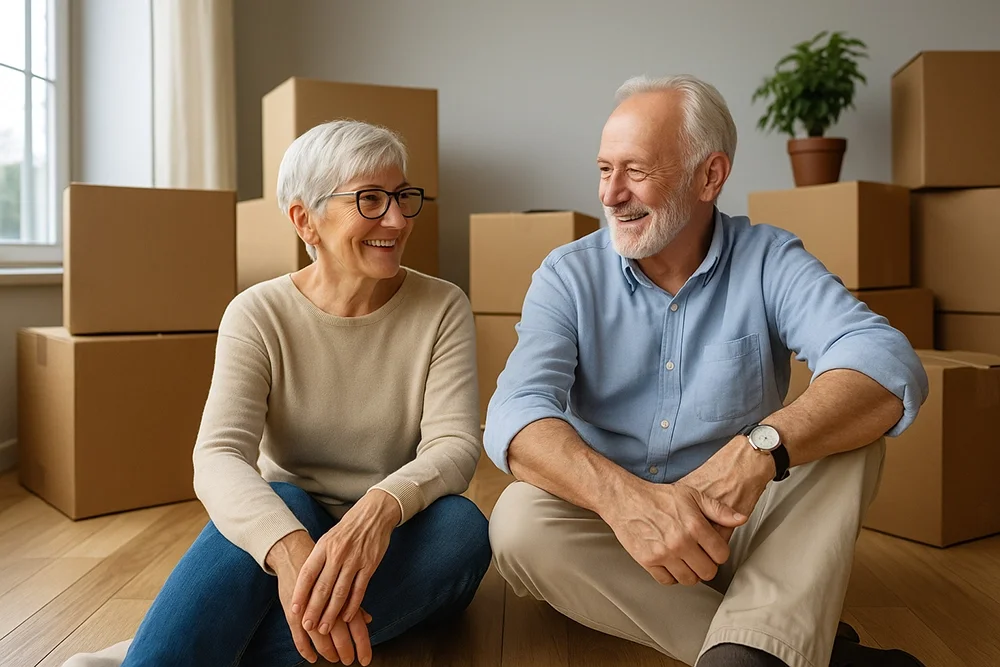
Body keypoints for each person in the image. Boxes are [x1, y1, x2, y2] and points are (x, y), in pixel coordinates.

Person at [484, 75, 929, 667]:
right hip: (620, 537)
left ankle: (755, 644)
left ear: (710, 176)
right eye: (603, 169)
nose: (611, 194)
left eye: (636, 171)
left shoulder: (770, 259)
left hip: (739, 520)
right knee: (518, 521)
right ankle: (769, 645)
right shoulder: (568, 276)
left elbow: (884, 363)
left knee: (851, 441)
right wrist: (625, 501)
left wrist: (757, 451)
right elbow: (517, 412)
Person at [66, 120, 491, 667]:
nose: (396, 219)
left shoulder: (442, 306)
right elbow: (219, 456)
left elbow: (454, 445)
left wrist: (375, 514)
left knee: (462, 530)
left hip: (395, 534)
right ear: (304, 220)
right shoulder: (257, 313)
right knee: (277, 502)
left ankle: (173, 651)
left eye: (403, 197)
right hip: (298, 519)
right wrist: (287, 548)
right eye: (369, 199)